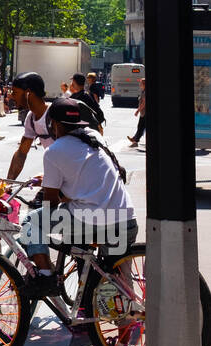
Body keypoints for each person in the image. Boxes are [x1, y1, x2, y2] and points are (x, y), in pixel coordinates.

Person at [18, 96, 136, 305]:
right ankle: (125, 327)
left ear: (52, 123)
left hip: (95, 221)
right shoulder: (93, 135)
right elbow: (89, 176)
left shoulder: (54, 152)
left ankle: (46, 277)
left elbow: (51, 204)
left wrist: (48, 189)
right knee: (120, 282)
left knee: (32, 223)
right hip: (126, 217)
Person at [6, 72, 52, 181]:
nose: (12, 96)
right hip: (57, 177)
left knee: (48, 198)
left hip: (78, 182)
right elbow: (21, 153)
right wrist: (8, 183)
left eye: (15, 92)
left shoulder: (54, 114)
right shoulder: (31, 118)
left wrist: (50, 178)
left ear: (28, 93)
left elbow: (70, 153)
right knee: (42, 198)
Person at [129, 79, 146, 145]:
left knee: (141, 127)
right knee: (141, 127)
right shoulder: (143, 91)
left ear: (144, 84)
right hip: (143, 113)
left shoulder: (144, 92)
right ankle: (135, 139)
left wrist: (138, 110)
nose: (140, 85)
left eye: (141, 83)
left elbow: (144, 103)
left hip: (144, 113)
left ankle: (135, 140)